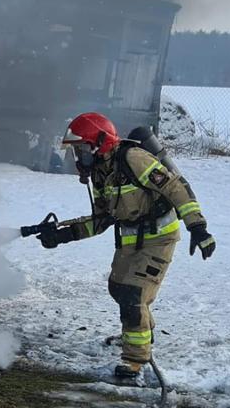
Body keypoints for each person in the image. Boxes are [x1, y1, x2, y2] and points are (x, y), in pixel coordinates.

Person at [28, 112, 216, 383]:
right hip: (130, 241)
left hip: (159, 238)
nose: (78, 156)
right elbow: (102, 219)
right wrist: (62, 235)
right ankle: (140, 329)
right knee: (118, 288)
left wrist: (197, 227)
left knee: (132, 294)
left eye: (81, 149)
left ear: (99, 143)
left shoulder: (133, 159)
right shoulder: (100, 174)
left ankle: (135, 361)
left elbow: (175, 189)